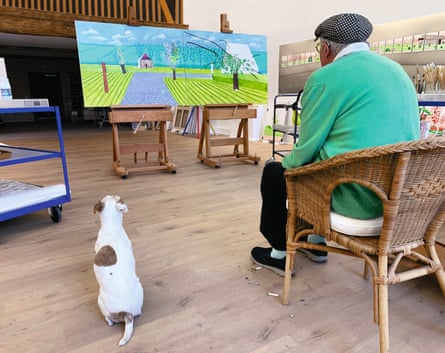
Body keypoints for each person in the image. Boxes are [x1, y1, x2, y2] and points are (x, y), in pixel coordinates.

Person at [251, 13, 420, 276]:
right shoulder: (397, 70)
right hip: (398, 200)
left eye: (319, 48)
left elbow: (307, 146)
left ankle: (279, 253)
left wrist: (285, 164)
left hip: (353, 200)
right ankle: (315, 243)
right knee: (314, 167)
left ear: (326, 48)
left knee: (277, 172)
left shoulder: (326, 77)